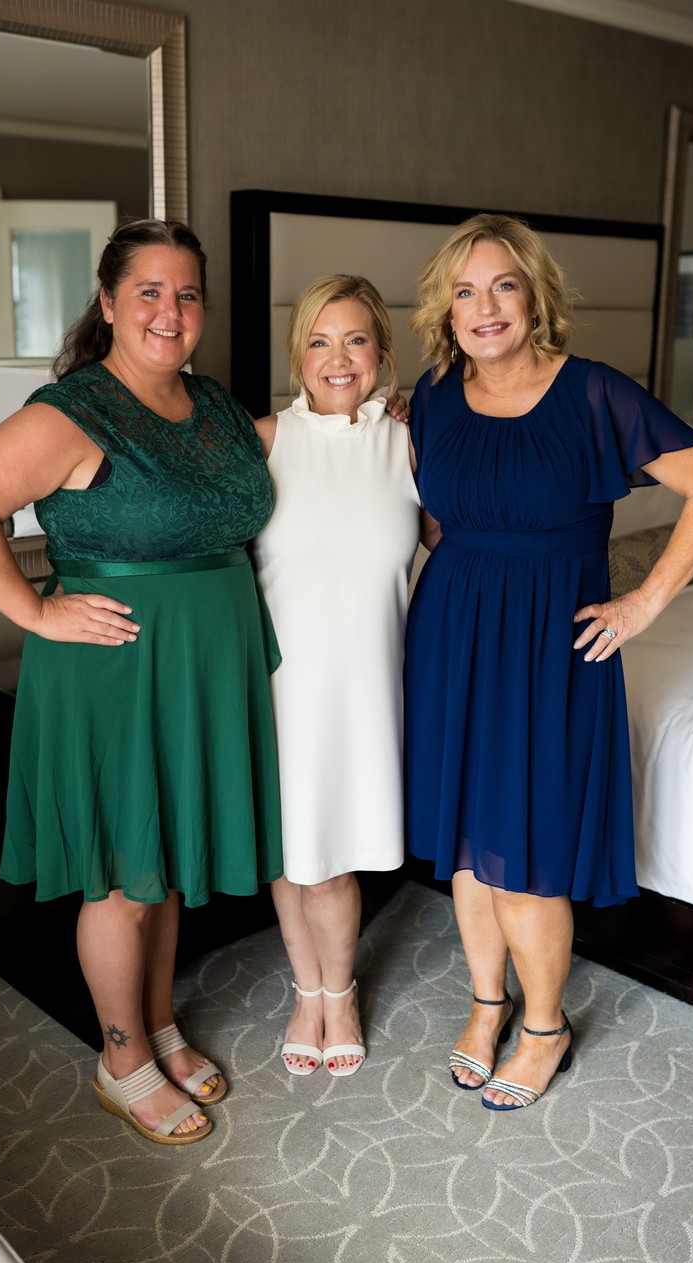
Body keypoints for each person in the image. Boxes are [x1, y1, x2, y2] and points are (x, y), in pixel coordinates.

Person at [0, 218, 283, 1144]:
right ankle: (121, 1059)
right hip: (117, 665)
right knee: (124, 876)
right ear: (110, 301)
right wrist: (36, 612)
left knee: (155, 862)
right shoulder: (74, 409)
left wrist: (365, 412)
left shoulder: (211, 405)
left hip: (204, 662)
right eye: (150, 292)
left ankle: (158, 1021)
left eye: (187, 294)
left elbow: (273, 454)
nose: (170, 311)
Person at [404, 213, 693, 1112]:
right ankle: (486, 1006)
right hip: (452, 633)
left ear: (534, 295)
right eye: (465, 290)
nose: (484, 306)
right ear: (444, 306)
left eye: (502, 285)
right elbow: (433, 521)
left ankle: (544, 1025)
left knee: (524, 855)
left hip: (550, 642)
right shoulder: (432, 397)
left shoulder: (594, 394)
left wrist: (644, 600)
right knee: (470, 856)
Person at [252, 275, 420, 1076]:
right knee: (292, 854)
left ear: (381, 351)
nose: (337, 357)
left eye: (355, 339)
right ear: (298, 355)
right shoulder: (261, 442)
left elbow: (464, 539)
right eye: (319, 340)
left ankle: (339, 990)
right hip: (282, 682)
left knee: (335, 857)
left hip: (370, 684)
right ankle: (309, 992)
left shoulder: (408, 443)